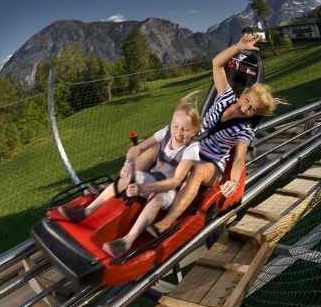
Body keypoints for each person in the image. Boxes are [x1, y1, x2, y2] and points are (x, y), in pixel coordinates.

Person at [149, 32, 279, 236]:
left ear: (255, 114)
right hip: (192, 147)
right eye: (247, 102)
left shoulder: (244, 130)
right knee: (156, 146)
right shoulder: (225, 96)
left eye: (252, 109)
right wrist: (238, 46)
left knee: (196, 170)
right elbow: (216, 64)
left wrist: (234, 180)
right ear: (243, 95)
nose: (245, 109)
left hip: (212, 163)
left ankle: (167, 223)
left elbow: (239, 158)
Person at [57, 92, 202, 257]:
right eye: (176, 126)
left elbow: (175, 182)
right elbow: (137, 148)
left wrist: (144, 188)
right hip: (153, 179)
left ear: (194, 131)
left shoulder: (192, 149)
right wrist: (128, 163)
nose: (179, 132)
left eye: (185, 129)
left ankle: (127, 241)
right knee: (129, 176)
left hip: (167, 190)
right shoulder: (166, 132)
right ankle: (87, 211)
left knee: (157, 199)